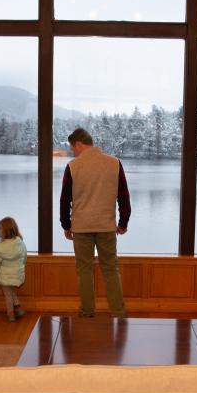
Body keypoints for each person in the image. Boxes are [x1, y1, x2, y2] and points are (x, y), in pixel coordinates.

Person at [59, 127, 130, 318]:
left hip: (81, 227)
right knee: (110, 269)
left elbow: (65, 200)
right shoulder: (114, 163)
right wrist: (123, 222)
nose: (73, 152)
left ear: (79, 144)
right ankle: (118, 312)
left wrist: (66, 225)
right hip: (106, 226)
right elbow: (124, 197)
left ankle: (87, 312)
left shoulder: (73, 167)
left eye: (73, 148)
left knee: (84, 271)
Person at [0, 216, 28, 322]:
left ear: (5, 231)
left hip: (4, 277)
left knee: (8, 295)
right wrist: (20, 269)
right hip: (17, 275)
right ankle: (18, 308)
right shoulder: (20, 243)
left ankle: (10, 314)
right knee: (11, 291)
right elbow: (24, 258)